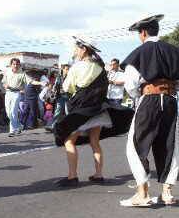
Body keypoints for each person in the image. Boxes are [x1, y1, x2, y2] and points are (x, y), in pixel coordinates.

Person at [120, 14, 179, 207]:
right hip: (169, 100)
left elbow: (131, 84)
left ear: (143, 32)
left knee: (136, 144)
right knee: (169, 142)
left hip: (149, 100)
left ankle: (142, 193)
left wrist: (141, 94)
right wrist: (171, 90)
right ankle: (167, 192)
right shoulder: (176, 52)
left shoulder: (139, 53)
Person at [53, 37, 134, 187]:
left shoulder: (77, 67)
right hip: (99, 110)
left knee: (69, 141)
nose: (75, 51)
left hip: (82, 111)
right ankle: (98, 174)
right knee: (94, 142)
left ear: (83, 49)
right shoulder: (100, 68)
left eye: (77, 48)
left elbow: (66, 88)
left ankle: (72, 176)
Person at [1, 58, 45, 137]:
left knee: (13, 111)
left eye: (17, 64)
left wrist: (40, 83)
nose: (15, 65)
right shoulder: (7, 72)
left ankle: (12, 130)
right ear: (11, 65)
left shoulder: (22, 74)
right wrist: (5, 86)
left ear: (19, 65)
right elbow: (3, 82)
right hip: (8, 93)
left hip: (16, 93)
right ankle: (19, 126)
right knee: (8, 113)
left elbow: (31, 81)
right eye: (14, 64)